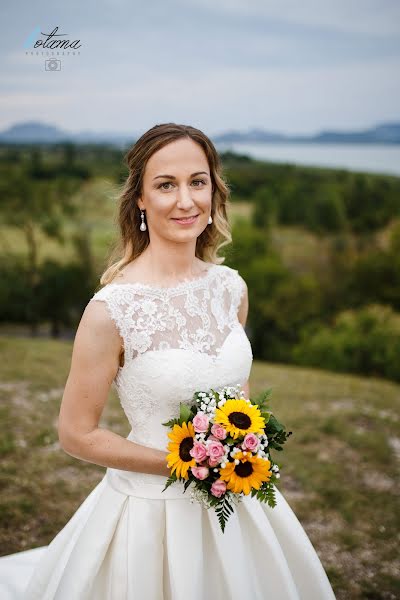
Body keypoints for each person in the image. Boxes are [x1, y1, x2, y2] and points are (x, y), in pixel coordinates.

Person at [0, 123, 336, 599]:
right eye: (165, 185)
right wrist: (189, 466)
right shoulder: (111, 311)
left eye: (197, 181)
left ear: (214, 189)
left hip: (238, 498)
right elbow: (76, 434)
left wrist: (241, 442)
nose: (186, 201)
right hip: (151, 514)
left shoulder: (230, 288)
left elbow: (236, 393)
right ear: (139, 198)